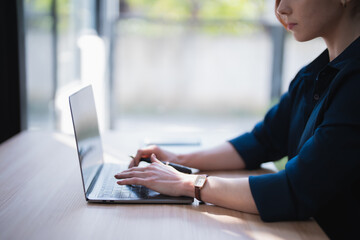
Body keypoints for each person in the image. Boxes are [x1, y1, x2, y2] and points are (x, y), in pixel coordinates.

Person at [115, 0, 360, 238]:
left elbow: (296, 190)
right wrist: (178, 160)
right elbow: (263, 140)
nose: (280, 8)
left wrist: (189, 184)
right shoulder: (318, 71)